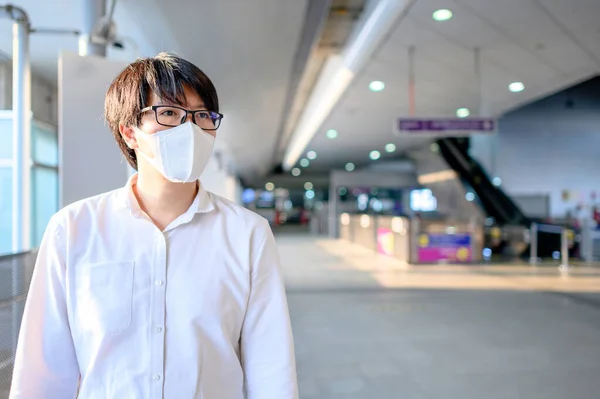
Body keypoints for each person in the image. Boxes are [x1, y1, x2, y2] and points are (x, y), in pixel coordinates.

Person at [10, 52, 298, 399]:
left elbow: (271, 369)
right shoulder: (73, 229)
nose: (189, 129)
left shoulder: (247, 234)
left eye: (202, 116)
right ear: (129, 132)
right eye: (169, 113)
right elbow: (44, 370)